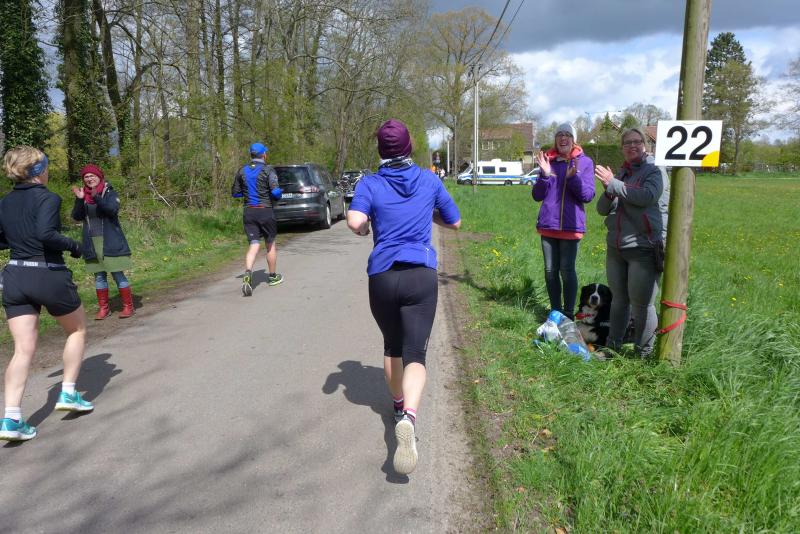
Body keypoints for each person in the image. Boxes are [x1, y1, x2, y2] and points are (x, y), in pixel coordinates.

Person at [347, 119, 461, 475]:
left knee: (392, 347)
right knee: (415, 354)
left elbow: (354, 220)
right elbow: (455, 221)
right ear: (409, 147)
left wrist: (365, 226)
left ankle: (397, 405)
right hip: (419, 275)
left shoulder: (370, 183)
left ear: (381, 150)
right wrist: (429, 214)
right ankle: (409, 416)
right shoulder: (429, 180)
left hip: (382, 276)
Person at [0, 147, 93, 442]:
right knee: (76, 330)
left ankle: (11, 419)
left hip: (15, 275)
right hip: (47, 273)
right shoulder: (48, 198)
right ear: (39, 170)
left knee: (22, 349)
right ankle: (69, 393)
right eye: (47, 166)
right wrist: (75, 246)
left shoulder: (5, 202)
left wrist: (19, 238)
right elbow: (45, 234)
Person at [595, 127, 670, 358]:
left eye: (637, 141)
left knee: (642, 305)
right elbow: (601, 209)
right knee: (619, 301)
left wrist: (614, 184)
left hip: (643, 247)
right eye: (627, 143)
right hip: (616, 248)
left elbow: (647, 196)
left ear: (645, 145)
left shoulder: (654, 170)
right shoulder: (624, 173)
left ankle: (643, 355)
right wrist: (609, 190)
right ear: (622, 148)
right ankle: (613, 348)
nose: (632, 146)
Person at [532, 123, 595, 319]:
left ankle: (567, 313)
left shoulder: (585, 162)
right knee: (550, 271)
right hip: (548, 225)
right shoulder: (548, 161)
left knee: (567, 270)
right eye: (559, 134)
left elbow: (587, 196)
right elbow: (537, 195)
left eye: (567, 134)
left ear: (574, 139)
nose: (563, 137)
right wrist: (544, 175)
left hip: (571, 226)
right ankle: (555, 311)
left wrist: (573, 178)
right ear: (555, 139)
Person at [71, 164, 134, 319]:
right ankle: (104, 309)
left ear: (99, 177)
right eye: (86, 177)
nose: (89, 179)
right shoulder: (83, 195)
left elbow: (112, 210)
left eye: (92, 176)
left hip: (110, 241)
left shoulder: (109, 192)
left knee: (117, 273)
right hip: (92, 243)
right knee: (99, 276)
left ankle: (128, 307)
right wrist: (80, 200)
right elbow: (77, 216)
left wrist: (97, 197)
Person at [231, 142, 284, 296]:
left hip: (249, 212)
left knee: (254, 244)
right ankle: (273, 277)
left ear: (251, 155)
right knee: (270, 243)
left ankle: (248, 272)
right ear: (264, 155)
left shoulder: (242, 171)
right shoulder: (268, 170)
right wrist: (279, 193)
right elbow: (275, 192)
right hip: (265, 211)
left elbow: (235, 193)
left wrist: (249, 193)